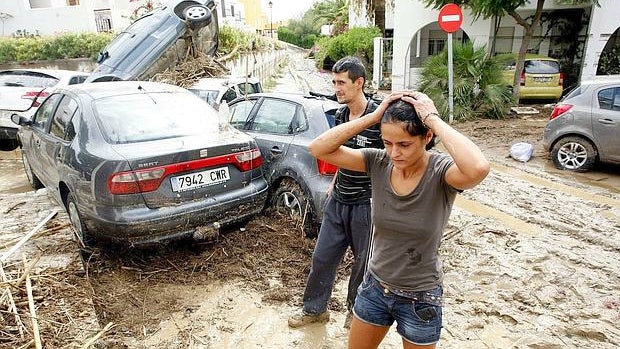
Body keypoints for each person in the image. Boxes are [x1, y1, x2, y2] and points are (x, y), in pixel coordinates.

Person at [308, 91, 490, 348]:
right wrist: (373, 116)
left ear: (426, 137)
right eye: (387, 143)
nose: (394, 153)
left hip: (420, 297)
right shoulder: (378, 162)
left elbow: (478, 168)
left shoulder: (441, 172)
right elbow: (318, 148)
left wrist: (433, 119)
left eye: (404, 144)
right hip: (374, 289)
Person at [288, 56, 383, 329]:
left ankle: (356, 314)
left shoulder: (379, 117)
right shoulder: (341, 115)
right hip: (338, 200)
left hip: (367, 204)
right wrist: (334, 183)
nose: (336, 88)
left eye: (342, 82)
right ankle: (315, 309)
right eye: (334, 81)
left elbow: (392, 159)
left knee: (363, 263)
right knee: (323, 257)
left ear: (359, 83)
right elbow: (338, 152)